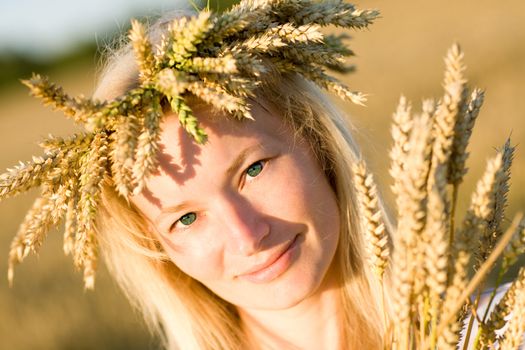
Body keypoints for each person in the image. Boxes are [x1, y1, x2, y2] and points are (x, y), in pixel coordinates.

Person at [91, 8, 391, 350]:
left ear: (316, 141)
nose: (247, 238)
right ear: (157, 247)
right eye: (186, 219)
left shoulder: (460, 328)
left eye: (253, 169)